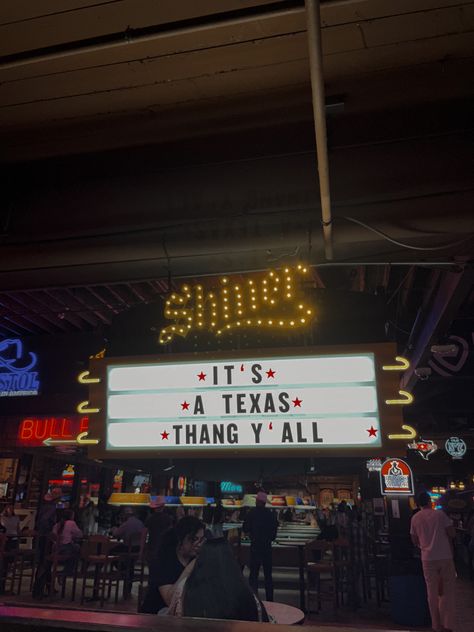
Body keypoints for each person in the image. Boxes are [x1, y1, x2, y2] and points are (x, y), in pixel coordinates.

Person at [169, 538, 269, 622]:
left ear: (200, 562)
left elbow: (172, 618)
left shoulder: (185, 589)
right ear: (231, 561)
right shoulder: (245, 592)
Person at [410, 491, 456, 632]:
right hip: (444, 556)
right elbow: (452, 533)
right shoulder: (439, 515)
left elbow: (414, 540)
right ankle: (447, 624)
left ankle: (436, 625)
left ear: (418, 504)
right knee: (447, 591)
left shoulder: (415, 518)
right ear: (430, 501)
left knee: (432, 592)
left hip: (427, 558)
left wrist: (424, 546)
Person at [140, 516, 205, 614]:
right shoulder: (163, 560)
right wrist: (191, 567)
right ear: (180, 539)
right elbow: (171, 601)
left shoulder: (197, 559)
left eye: (201, 540)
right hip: (156, 616)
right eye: (194, 539)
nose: (199, 544)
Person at [243, 491, 278, 601]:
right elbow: (273, 535)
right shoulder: (271, 514)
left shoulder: (251, 513)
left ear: (257, 501)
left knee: (253, 574)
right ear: (264, 502)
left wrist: (252, 534)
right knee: (268, 575)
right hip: (267, 547)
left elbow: (245, 528)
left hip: (255, 546)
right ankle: (270, 599)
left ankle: (254, 599)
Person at [52, 509, 83, 578]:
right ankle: (67, 571)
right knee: (77, 549)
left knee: (74, 550)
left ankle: (66, 571)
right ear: (71, 516)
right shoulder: (71, 523)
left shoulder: (58, 524)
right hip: (65, 549)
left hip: (55, 549)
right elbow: (79, 534)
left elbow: (53, 535)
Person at [145, 496, 172, 563]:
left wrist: (142, 550)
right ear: (163, 506)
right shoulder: (168, 518)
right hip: (164, 547)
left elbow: (144, 534)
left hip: (152, 546)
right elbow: (170, 533)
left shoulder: (150, 518)